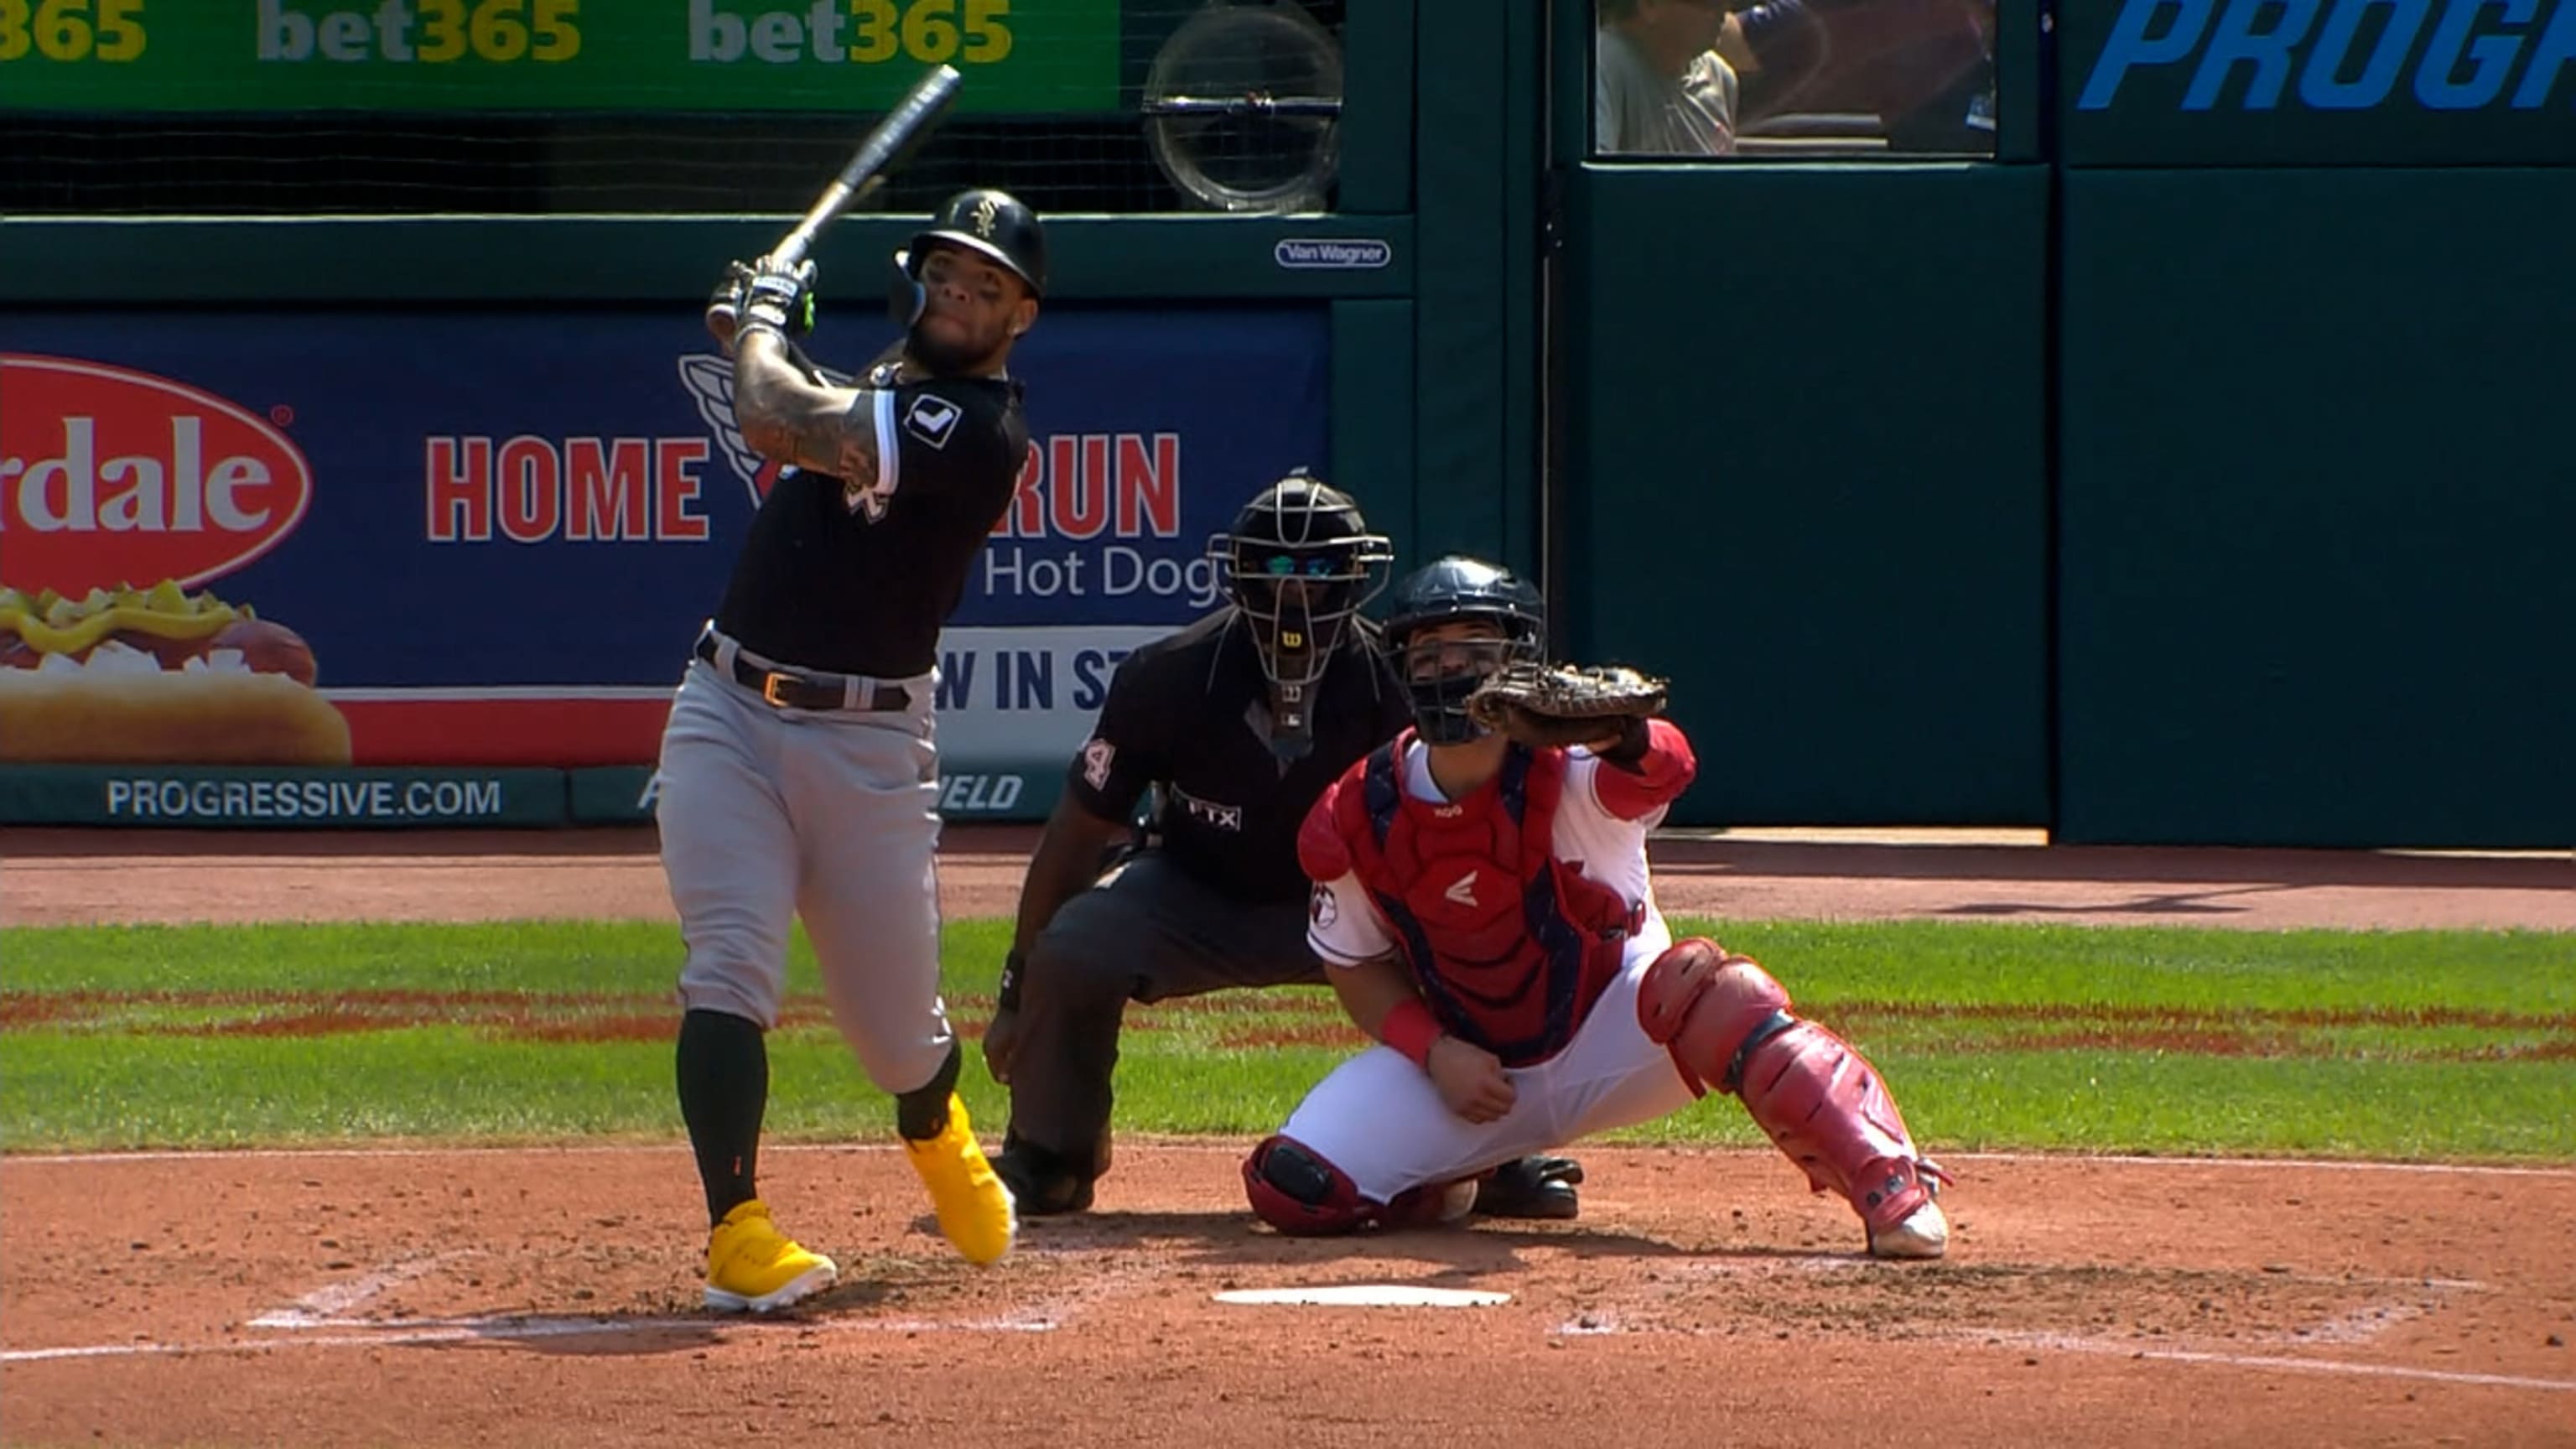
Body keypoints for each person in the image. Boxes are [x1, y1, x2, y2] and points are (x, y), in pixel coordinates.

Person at [1239, 556, 1952, 1259]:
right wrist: (1435, 1052)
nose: (1453, 671)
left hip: (1619, 1034)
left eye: (1476, 652)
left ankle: (1889, 1182)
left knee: (1708, 991)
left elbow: (1666, 768)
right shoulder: (1359, 809)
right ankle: (1458, 1177)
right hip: (1475, 1069)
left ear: (1518, 661)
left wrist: (1623, 731)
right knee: (1297, 1187)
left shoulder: (1577, 766)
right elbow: (1355, 964)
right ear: (1401, 668)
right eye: (1431, 654)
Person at [980, 476, 1588, 1223]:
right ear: (1235, 571)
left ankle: (1497, 1155)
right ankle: (1051, 1157)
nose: (1295, 596)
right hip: (1193, 889)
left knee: (1471, 931)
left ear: (1359, 577)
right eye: (1274, 570)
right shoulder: (1166, 675)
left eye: (1318, 571)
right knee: (1079, 943)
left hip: (1357, 903)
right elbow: (1075, 832)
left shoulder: (1399, 684)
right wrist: (1017, 990)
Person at [655, 188, 1046, 1312]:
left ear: (1021, 314)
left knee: (893, 1038)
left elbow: (784, 425)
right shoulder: (896, 376)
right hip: (725, 707)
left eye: (987, 288)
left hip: (867, 745)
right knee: (728, 965)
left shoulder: (979, 430)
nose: (960, 299)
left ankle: (934, 1122)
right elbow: (800, 402)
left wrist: (768, 326)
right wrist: (752, 334)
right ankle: (737, 1232)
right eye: (947, 276)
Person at [1596, 0, 1830, 154]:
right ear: (1650, 4)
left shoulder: (1720, 76)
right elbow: (1595, 194)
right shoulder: (1601, 68)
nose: (1723, 9)